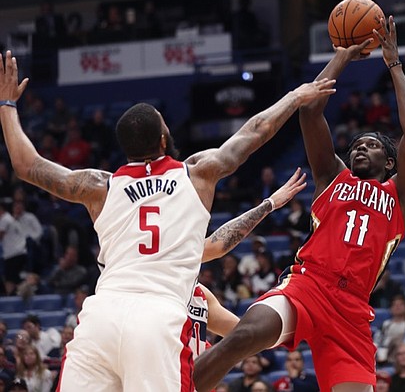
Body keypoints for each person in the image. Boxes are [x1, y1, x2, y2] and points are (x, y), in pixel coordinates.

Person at [0, 50, 335, 391]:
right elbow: (255, 131)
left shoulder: (100, 186)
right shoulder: (197, 173)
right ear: (163, 139)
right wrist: (295, 96)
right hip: (157, 321)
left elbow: (27, 165)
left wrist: (7, 105)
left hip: (99, 319)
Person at [194, 16, 405, 392]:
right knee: (244, 335)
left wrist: (393, 63)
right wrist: (342, 56)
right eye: (356, 146)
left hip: (352, 311)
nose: (359, 148)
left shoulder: (400, 195)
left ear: (390, 162)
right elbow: (309, 111)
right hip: (309, 284)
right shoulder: (331, 176)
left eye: (371, 145)